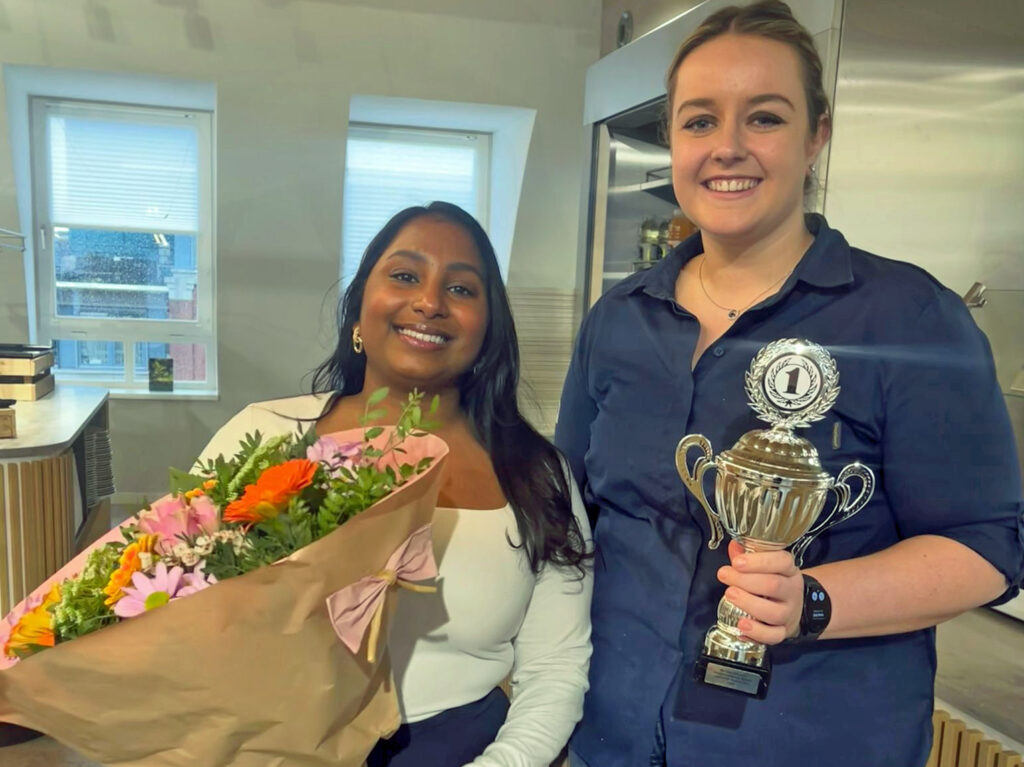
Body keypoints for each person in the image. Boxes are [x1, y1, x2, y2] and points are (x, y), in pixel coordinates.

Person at [554, 3, 1024, 766]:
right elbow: (568, 514)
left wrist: (815, 600)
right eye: (700, 121)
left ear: (816, 137)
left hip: (810, 740)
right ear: (673, 141)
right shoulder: (619, 319)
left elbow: (987, 546)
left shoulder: (907, 318)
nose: (728, 147)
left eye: (765, 118)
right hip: (611, 734)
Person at [199, 201, 592, 767]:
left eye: (461, 289)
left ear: (488, 329)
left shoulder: (538, 475)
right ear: (360, 307)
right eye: (405, 276)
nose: (430, 302)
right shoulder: (265, 436)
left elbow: (556, 667)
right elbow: (178, 611)